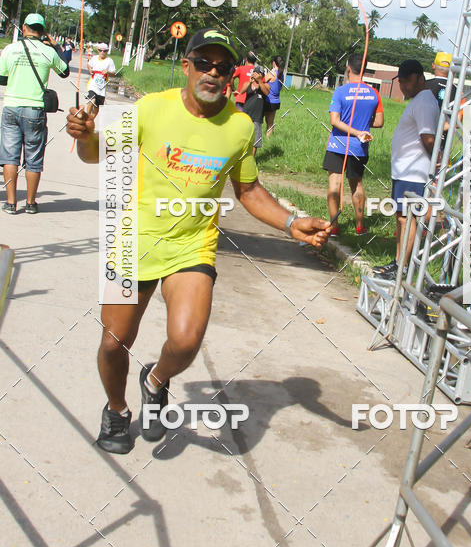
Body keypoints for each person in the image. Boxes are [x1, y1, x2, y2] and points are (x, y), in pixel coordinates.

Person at [66, 27, 331, 455]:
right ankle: (117, 410)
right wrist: (85, 135)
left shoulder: (240, 127)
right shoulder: (151, 109)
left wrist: (291, 222)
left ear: (232, 76)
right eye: (203, 63)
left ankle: (155, 382)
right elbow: (96, 153)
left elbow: (248, 191)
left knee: (187, 340)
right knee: (113, 343)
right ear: (186, 66)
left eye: (222, 67)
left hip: (193, 246)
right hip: (136, 242)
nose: (212, 73)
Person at [373, 59, 440, 279]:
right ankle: (398, 263)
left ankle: (401, 267)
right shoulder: (420, 100)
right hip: (404, 172)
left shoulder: (425, 102)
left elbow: (428, 138)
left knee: (408, 218)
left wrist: (436, 166)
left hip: (415, 174)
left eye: (407, 81)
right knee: (402, 218)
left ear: (420, 78)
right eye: (400, 82)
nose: (403, 86)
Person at [0, 12, 69, 215]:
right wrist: (56, 46)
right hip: (35, 111)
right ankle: (30, 203)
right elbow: (65, 72)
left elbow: (2, 79)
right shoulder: (49, 52)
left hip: (11, 107)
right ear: (43, 31)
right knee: (34, 158)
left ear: (24, 27)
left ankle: (11, 203)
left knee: (10, 158)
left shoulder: (10, 49)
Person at [322, 53, 384, 236]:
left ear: (349, 68)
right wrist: (362, 128)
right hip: (359, 147)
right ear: (364, 70)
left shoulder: (340, 91)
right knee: (356, 185)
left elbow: (334, 120)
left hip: (337, 144)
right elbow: (379, 122)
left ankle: (333, 227)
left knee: (335, 183)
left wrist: (354, 131)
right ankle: (360, 226)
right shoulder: (374, 93)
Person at [241, 62, 270, 155]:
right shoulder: (248, 83)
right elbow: (241, 91)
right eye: (256, 73)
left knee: (255, 141)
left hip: (257, 117)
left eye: (259, 74)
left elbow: (266, 92)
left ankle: (252, 159)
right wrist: (250, 81)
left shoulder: (265, 85)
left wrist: (260, 81)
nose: (257, 75)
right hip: (246, 115)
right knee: (243, 138)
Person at [86, 43, 116, 113]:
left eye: (104, 51)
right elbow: (89, 65)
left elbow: (114, 73)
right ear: (98, 50)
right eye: (100, 50)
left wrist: (107, 72)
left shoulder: (109, 61)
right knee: (92, 100)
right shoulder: (94, 58)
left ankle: (91, 119)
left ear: (107, 51)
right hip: (93, 84)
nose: (102, 52)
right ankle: (87, 117)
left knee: (97, 108)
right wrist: (90, 69)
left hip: (102, 87)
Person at [264, 56, 285, 136]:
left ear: (274, 63)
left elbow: (262, 81)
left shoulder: (272, 73)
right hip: (276, 101)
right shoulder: (281, 74)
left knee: (262, 121)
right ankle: (268, 138)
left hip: (268, 100)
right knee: (270, 122)